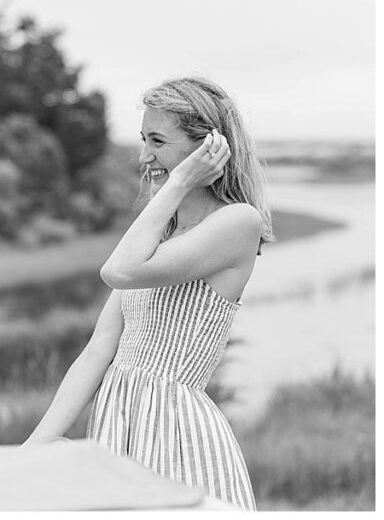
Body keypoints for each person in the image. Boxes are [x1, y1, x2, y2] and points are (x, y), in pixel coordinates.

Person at [24, 76, 272, 510]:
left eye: (157, 140)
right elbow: (100, 349)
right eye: (142, 139)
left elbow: (118, 270)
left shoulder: (238, 223)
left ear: (208, 146)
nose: (144, 156)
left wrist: (176, 184)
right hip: (117, 424)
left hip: (176, 433)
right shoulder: (161, 232)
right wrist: (31, 448)